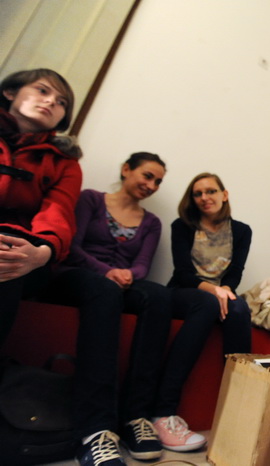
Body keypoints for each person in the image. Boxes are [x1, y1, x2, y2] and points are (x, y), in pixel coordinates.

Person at [46, 152, 181, 464]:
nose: (152, 185)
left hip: (120, 282)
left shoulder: (151, 222)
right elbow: (72, 247)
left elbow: (143, 265)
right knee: (105, 291)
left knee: (160, 296)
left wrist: (128, 275)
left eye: (158, 182)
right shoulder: (91, 200)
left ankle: (136, 417)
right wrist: (107, 272)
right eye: (147, 176)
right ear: (126, 169)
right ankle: (95, 430)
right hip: (78, 276)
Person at [0, 68, 82, 349]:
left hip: (24, 252)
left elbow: (58, 214)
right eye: (42, 90)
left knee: (9, 256)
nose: (51, 102)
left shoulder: (64, 163)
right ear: (10, 92)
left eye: (62, 102)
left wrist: (41, 253)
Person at [165, 172, 252, 432]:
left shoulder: (241, 230)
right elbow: (182, 273)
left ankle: (239, 404)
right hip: (186, 290)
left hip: (221, 291)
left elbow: (235, 272)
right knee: (209, 303)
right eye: (198, 194)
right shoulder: (182, 226)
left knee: (239, 309)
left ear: (224, 195)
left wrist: (224, 289)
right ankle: (166, 405)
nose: (204, 197)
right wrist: (214, 291)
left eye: (211, 191)